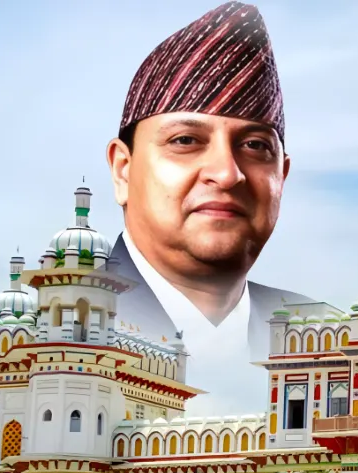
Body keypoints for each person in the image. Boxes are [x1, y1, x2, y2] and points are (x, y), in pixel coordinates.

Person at [105, 1, 313, 381]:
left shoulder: (327, 335)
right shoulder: (64, 325)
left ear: (281, 176)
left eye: (254, 146)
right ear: (123, 169)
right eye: (185, 140)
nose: (227, 173)